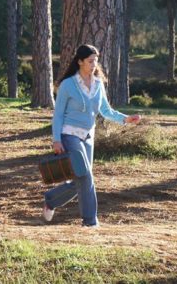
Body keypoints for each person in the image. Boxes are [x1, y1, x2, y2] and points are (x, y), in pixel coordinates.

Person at [42, 44, 141, 227]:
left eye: (96, 60)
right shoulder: (67, 85)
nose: (94, 64)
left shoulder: (98, 85)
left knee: (80, 179)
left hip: (88, 136)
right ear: (80, 62)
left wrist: (125, 119)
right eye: (90, 61)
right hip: (69, 135)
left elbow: (105, 110)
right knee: (86, 175)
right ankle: (90, 222)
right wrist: (56, 139)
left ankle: (51, 200)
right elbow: (57, 115)